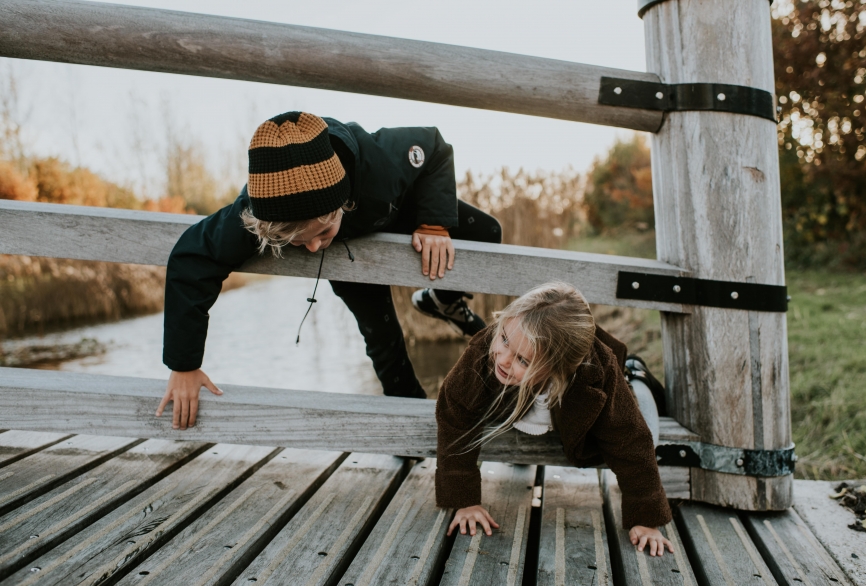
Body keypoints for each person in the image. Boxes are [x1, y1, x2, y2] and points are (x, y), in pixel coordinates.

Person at [157, 111, 501, 429]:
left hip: (393, 208)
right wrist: (184, 364)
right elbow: (193, 259)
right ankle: (411, 427)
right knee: (384, 340)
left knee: (487, 234)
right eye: (297, 243)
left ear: (343, 203)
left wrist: (435, 225)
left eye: (321, 233)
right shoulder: (257, 214)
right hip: (346, 254)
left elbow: (434, 145)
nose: (312, 247)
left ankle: (442, 301)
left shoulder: (381, 162)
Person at [435, 282, 675, 556]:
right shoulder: (489, 350)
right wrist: (464, 500)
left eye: (522, 360)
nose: (502, 358)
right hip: (533, 406)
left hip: (619, 390)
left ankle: (637, 371)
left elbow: (630, 440)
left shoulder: (597, 371)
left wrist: (645, 519)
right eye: (503, 339)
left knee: (648, 432)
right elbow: (455, 413)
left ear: (559, 368)